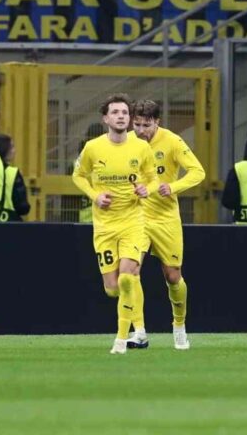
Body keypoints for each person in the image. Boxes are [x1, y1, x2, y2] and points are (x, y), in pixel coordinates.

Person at [72, 94, 158, 355]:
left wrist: (147, 189)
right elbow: (78, 176)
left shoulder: (141, 148)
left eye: (125, 112)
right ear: (106, 118)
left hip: (133, 221)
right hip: (104, 227)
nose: (121, 116)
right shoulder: (93, 148)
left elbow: (153, 179)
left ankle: (122, 339)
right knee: (112, 288)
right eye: (116, 112)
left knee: (128, 277)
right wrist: (95, 195)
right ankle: (138, 329)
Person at [130, 100, 205, 350]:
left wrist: (172, 187)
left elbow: (197, 172)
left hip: (165, 218)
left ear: (157, 122)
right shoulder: (127, 143)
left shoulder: (172, 141)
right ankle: (139, 331)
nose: (141, 130)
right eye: (137, 124)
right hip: (136, 217)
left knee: (173, 277)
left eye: (146, 125)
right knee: (130, 272)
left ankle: (179, 325)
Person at [0, 134, 30, 222]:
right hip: (10, 223)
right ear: (4, 150)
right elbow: (22, 207)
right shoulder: (13, 173)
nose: (14, 151)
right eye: (12, 147)